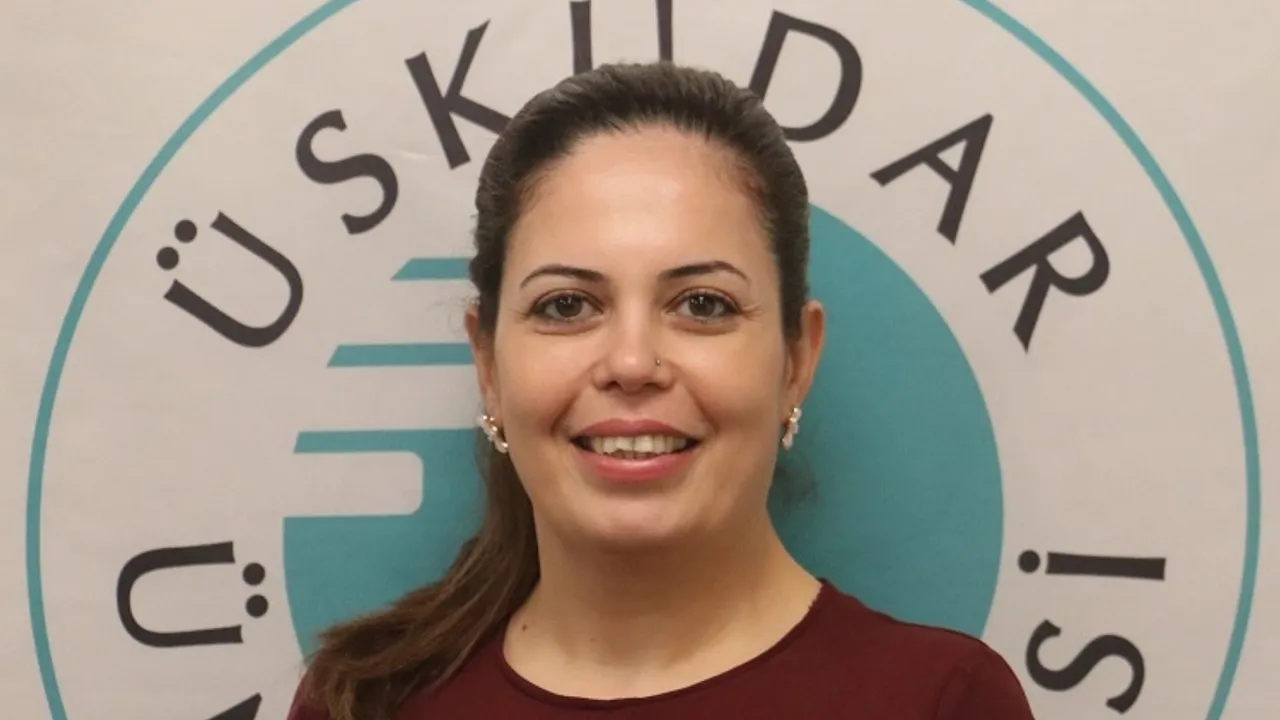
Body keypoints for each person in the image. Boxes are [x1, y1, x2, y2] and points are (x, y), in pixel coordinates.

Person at [287, 61, 1036, 720]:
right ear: (488, 364)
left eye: (703, 304)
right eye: (567, 306)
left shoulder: (942, 704)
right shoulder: (360, 703)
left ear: (796, 360)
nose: (632, 362)